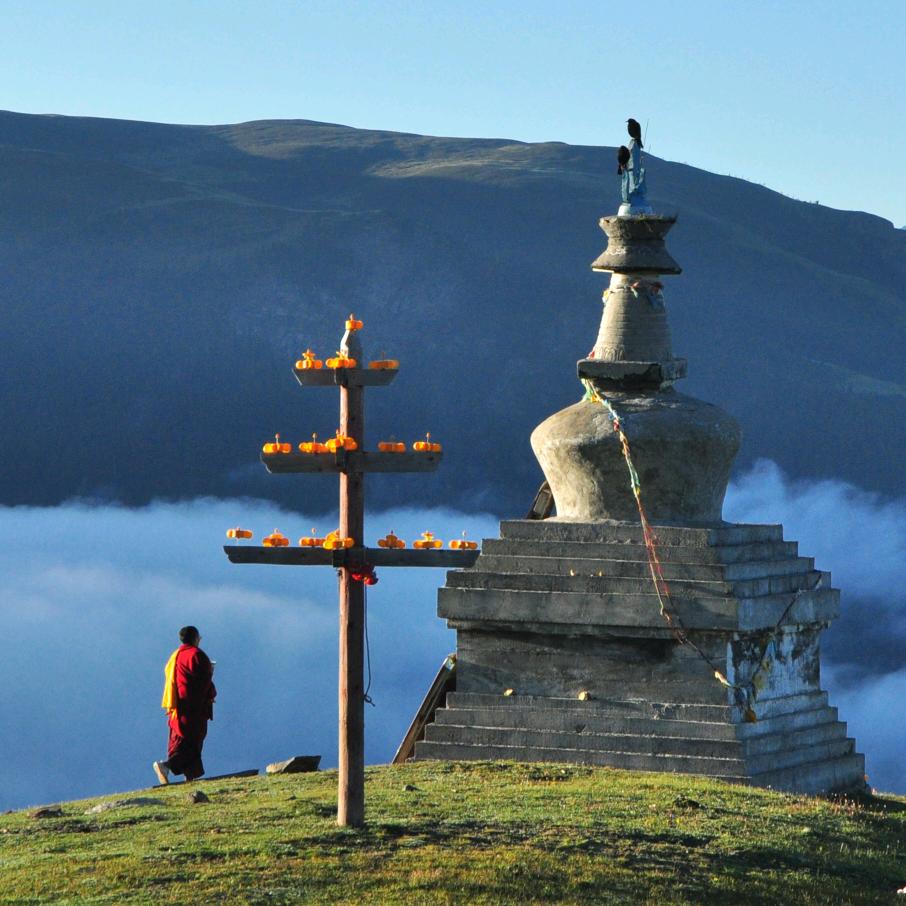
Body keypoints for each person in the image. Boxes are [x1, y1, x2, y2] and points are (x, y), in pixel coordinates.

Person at [153, 626, 216, 784]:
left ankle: (189, 779)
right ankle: (166, 766)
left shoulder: (175, 656)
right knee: (191, 743)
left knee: (183, 742)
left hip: (177, 708)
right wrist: (211, 691)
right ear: (196, 638)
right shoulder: (197, 655)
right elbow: (204, 683)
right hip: (192, 708)